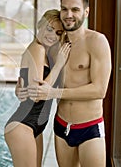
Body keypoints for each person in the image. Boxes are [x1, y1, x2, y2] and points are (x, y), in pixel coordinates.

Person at [25, 0, 112, 167]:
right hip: (62, 126)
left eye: (75, 9)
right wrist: (21, 86)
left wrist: (54, 93)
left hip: (90, 126)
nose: (68, 14)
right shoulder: (55, 44)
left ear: (86, 12)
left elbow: (99, 90)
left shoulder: (96, 41)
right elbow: (38, 76)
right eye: (64, 9)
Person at [4, 9, 71, 167]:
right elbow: (36, 95)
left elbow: (26, 86)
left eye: (57, 32)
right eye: (49, 29)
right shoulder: (37, 49)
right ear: (39, 26)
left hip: (34, 125)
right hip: (23, 124)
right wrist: (59, 65)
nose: (52, 35)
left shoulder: (44, 52)